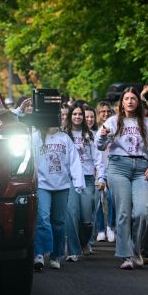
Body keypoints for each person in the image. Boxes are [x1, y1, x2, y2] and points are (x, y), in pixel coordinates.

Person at [96, 88, 148, 269]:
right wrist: (102, 136)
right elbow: (100, 145)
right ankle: (126, 255)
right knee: (124, 212)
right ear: (122, 103)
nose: (130, 101)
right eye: (126, 98)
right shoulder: (113, 121)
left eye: (133, 98)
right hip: (118, 167)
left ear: (138, 102)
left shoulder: (147, 123)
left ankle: (136, 249)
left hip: (142, 168)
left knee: (143, 211)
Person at [32, 125, 84, 271]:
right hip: (42, 184)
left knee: (59, 222)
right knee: (43, 218)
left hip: (62, 186)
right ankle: (39, 253)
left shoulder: (65, 138)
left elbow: (74, 161)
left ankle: (56, 255)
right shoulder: (36, 136)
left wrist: (78, 182)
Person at [65, 104, 105, 261]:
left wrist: (101, 177)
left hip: (88, 179)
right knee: (71, 213)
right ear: (70, 116)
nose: (77, 117)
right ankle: (73, 250)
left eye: (80, 114)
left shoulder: (90, 135)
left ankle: (84, 241)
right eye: (74, 114)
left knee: (87, 219)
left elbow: (98, 158)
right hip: (70, 179)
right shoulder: (64, 135)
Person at [95, 101, 116, 243]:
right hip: (97, 168)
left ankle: (110, 226)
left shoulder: (114, 127)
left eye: (108, 111)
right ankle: (100, 229)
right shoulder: (93, 130)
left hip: (112, 167)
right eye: (103, 111)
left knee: (111, 198)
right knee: (98, 200)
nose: (106, 114)